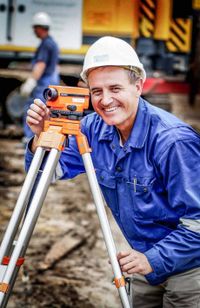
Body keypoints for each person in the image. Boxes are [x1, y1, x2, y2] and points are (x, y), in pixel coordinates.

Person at [25, 36, 200, 307]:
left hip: (190, 269)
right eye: (96, 91)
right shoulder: (94, 128)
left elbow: (198, 223)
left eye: (115, 88)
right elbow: (49, 173)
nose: (105, 100)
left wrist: (151, 259)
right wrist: (42, 138)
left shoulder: (173, 142)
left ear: (139, 86)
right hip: (144, 264)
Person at [20, 11, 60, 140]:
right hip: (51, 81)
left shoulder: (45, 44)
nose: (34, 31)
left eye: (35, 28)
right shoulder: (52, 43)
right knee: (43, 111)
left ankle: (30, 138)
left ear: (40, 28)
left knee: (33, 109)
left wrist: (30, 82)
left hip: (44, 82)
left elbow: (40, 65)